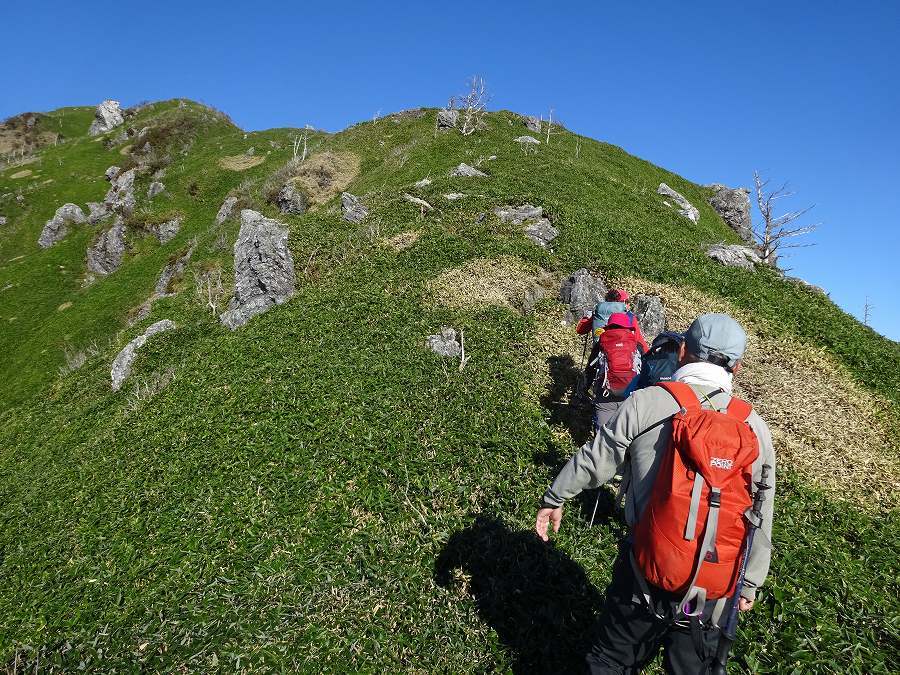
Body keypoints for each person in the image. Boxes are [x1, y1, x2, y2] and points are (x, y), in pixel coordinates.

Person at [536, 314, 777, 674]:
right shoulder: (754, 426)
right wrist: (750, 582)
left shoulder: (648, 401)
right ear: (737, 367)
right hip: (715, 586)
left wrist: (555, 497)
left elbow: (597, 459)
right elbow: (761, 510)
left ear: (682, 351)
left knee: (611, 660)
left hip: (645, 569)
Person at [583, 312, 646, 433]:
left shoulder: (602, 343)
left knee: (602, 436)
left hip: (605, 395)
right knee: (626, 434)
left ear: (609, 327)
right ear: (627, 328)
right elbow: (644, 370)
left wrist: (584, 390)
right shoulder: (636, 345)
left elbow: (590, 370)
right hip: (630, 396)